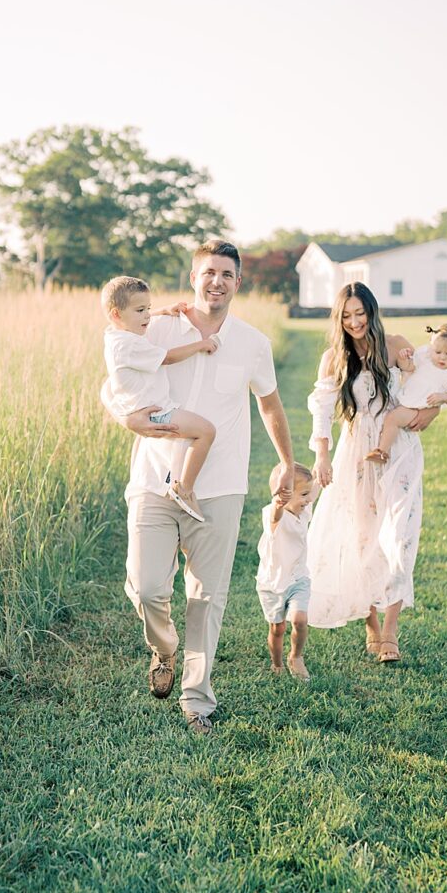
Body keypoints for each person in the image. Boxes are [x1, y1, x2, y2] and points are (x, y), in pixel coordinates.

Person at [101, 239, 294, 734]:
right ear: (193, 277)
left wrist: (289, 461)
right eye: (209, 272)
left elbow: (270, 406)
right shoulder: (155, 324)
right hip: (154, 477)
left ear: (238, 283)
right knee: (145, 587)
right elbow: (112, 380)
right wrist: (127, 420)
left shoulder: (253, 342)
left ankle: (197, 700)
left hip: (221, 484)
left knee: (208, 597)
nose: (217, 282)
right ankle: (163, 649)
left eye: (227, 274)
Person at [307, 282, 439, 663]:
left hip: (398, 449)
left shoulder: (396, 345)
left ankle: (392, 631)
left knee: (399, 535)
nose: (354, 322)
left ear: (372, 311)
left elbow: (427, 387)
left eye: (359, 313)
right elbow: (321, 408)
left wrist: (428, 413)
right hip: (357, 453)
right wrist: (322, 455)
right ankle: (372, 625)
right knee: (361, 536)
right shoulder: (335, 358)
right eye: (346, 316)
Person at [101, 274, 220, 522]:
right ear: (116, 314)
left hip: (148, 409)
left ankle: (178, 486)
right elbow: (167, 357)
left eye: (149, 309)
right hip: (156, 413)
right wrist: (201, 345)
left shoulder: (115, 336)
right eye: (141, 310)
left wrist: (163, 311)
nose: (147, 316)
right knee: (206, 432)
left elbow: (131, 320)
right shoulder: (129, 346)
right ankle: (184, 489)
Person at [364, 323, 447, 465]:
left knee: (392, 419)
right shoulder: (424, 357)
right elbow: (408, 368)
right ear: (431, 347)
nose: (442, 358)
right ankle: (382, 451)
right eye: (438, 352)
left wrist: (443, 397)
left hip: (419, 408)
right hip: (408, 400)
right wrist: (403, 358)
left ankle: (381, 451)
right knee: (391, 419)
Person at [256, 462, 319, 681]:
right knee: (277, 628)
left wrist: (322, 465)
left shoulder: (303, 510)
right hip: (272, 584)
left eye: (308, 494)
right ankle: (277, 664)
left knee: (300, 620)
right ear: (284, 495)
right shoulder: (274, 516)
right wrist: (279, 501)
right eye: (303, 494)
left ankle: (296, 656)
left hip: (298, 578)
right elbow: (275, 513)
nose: (308, 499)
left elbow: (317, 486)